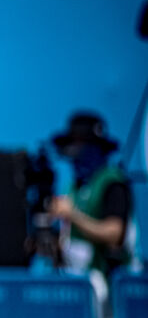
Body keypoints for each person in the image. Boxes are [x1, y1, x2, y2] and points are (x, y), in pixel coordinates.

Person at [49, 112, 132, 277]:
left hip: (108, 281)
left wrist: (72, 214)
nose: (75, 152)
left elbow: (114, 233)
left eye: (82, 145)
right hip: (76, 279)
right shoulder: (73, 186)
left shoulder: (113, 182)